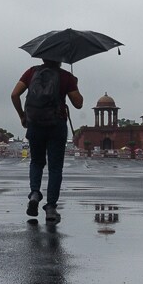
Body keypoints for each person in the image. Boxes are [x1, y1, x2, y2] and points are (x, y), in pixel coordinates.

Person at [11, 59, 83, 224]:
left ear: (42, 57)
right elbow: (78, 104)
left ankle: (35, 194)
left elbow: (14, 94)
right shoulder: (65, 76)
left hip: (35, 124)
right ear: (60, 59)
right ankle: (51, 207)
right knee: (55, 168)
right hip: (57, 125)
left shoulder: (31, 72)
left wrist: (22, 116)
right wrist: (75, 84)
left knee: (36, 162)